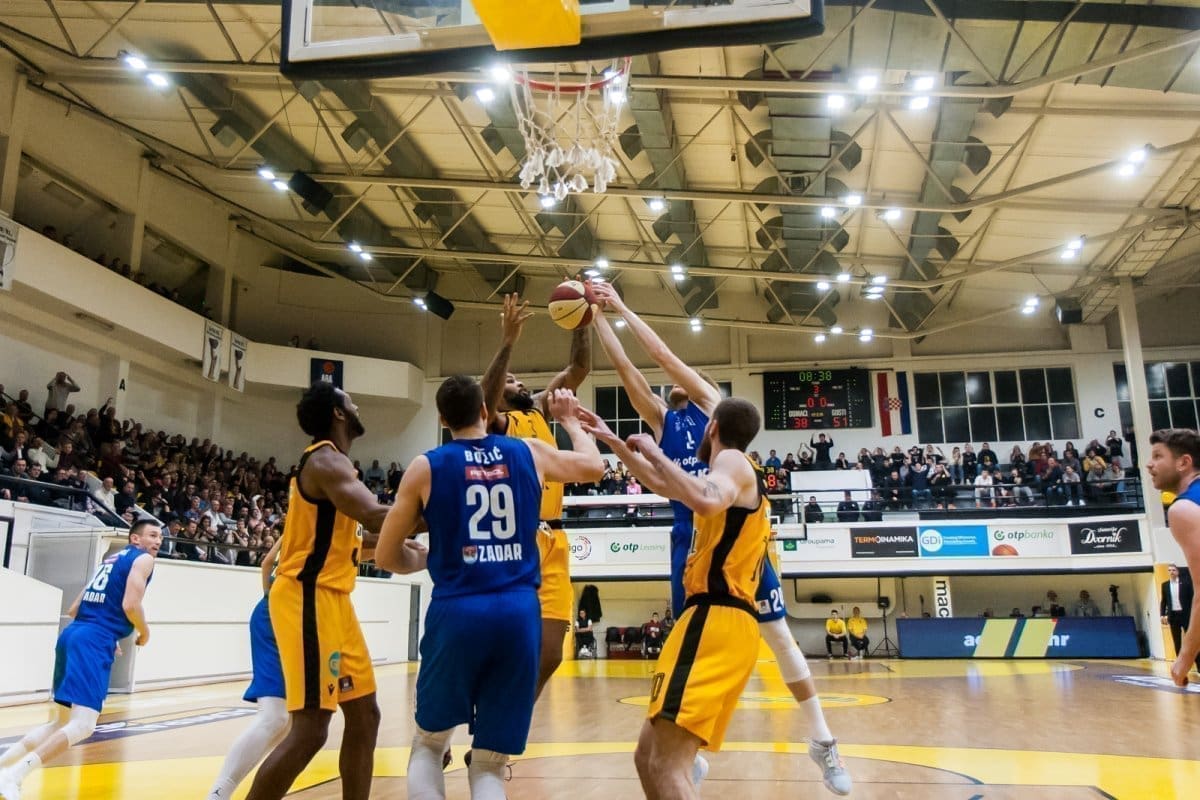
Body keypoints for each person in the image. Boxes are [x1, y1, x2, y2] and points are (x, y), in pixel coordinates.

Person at [589, 281, 851, 795]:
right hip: (691, 543)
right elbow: (629, 373)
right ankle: (688, 752)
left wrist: (619, 305)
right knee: (685, 655)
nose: (673, 386)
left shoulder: (718, 416)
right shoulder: (663, 420)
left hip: (735, 550)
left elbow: (663, 356)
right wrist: (595, 319)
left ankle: (822, 740)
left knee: (779, 638)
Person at [375, 378, 602, 800]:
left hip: (458, 611)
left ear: (442, 420)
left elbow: (386, 556)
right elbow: (593, 466)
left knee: (429, 744)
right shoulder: (528, 451)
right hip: (518, 613)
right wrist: (571, 421)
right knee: (489, 765)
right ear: (485, 410)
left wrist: (425, 558)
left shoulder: (426, 466)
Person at [244, 383, 393, 800]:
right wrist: (447, 507)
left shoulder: (339, 466)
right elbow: (375, 515)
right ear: (338, 413)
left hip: (335, 599)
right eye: (350, 400)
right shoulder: (325, 460)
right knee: (311, 729)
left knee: (365, 715)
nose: (357, 404)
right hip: (306, 595)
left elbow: (362, 536)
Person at [480, 293, 592, 701]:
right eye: (511, 381)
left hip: (555, 540)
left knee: (551, 653)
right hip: (517, 536)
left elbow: (579, 369)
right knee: (501, 643)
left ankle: (507, 715)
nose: (520, 383)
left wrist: (582, 319)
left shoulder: (540, 411)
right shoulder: (497, 423)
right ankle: (485, 709)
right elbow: (485, 398)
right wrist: (508, 343)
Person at [0, 520, 162, 799]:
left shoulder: (110, 560)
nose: (158, 541)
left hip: (73, 634)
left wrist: (105, 633)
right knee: (83, 725)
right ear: (135, 539)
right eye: (152, 535)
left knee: (60, 723)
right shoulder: (144, 559)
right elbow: (130, 604)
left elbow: (75, 608)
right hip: (91, 640)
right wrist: (144, 632)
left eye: (160, 537)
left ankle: (3, 766)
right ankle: (12, 776)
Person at [1147, 429, 1200, 685]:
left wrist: (1185, 657)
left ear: (1184, 462)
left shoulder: (1183, 508)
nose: (1149, 464)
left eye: (1158, 456)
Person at [1161, 564, 1196, 661]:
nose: (1171, 572)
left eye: (1173, 570)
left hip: (1185, 615)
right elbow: (1164, 601)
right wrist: (1162, 614)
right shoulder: (1165, 585)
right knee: (1176, 640)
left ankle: (1195, 660)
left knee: (1190, 639)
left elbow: (1192, 598)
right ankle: (1180, 661)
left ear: (1177, 572)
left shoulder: (1186, 583)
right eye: (1169, 570)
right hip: (1173, 615)